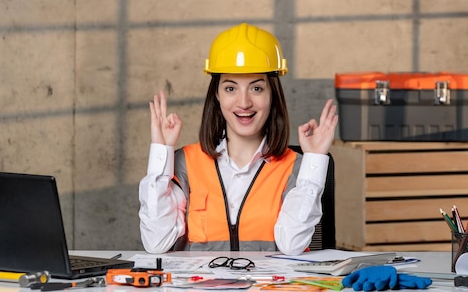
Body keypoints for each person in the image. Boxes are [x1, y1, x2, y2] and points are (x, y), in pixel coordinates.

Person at [138, 23, 338, 255]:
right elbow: (156, 243)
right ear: (217, 94)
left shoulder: (295, 168)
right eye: (231, 88)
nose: (244, 103)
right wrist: (161, 155)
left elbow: (292, 245)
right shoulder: (184, 163)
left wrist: (314, 160)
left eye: (256, 89)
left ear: (273, 94)